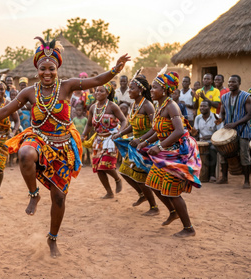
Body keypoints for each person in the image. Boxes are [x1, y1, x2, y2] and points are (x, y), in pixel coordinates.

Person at [0, 36, 130, 257]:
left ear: (57, 69)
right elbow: (6, 110)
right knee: (25, 152)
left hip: (62, 144)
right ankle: (33, 194)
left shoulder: (68, 86)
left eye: (51, 68)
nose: (47, 72)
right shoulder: (29, 93)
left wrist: (115, 70)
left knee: (59, 197)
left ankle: (52, 238)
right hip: (38, 138)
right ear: (36, 70)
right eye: (42, 68)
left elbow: (98, 80)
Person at [136, 68, 201, 237]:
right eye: (151, 87)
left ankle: (189, 228)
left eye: (154, 88)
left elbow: (179, 131)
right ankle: (173, 212)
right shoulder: (160, 106)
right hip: (166, 153)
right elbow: (158, 130)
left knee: (171, 191)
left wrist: (160, 146)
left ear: (164, 90)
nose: (151, 91)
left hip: (176, 154)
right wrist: (145, 141)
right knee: (153, 183)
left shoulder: (172, 107)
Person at [113, 73, 161, 215]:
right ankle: (142, 196)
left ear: (140, 90)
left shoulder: (148, 106)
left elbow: (155, 128)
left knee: (140, 178)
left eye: (132, 88)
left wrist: (141, 140)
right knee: (124, 171)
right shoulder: (134, 105)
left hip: (146, 145)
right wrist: (120, 133)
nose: (129, 91)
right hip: (136, 145)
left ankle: (154, 207)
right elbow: (132, 126)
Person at [83, 82, 127, 199]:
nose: (98, 93)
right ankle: (109, 192)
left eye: (101, 91)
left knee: (105, 164)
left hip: (110, 139)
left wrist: (119, 133)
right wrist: (83, 135)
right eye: (97, 90)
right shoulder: (93, 107)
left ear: (107, 93)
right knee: (98, 168)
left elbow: (123, 120)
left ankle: (117, 179)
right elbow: (88, 124)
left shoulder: (112, 106)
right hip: (98, 139)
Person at [216, 75, 251, 187]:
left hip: (243, 130)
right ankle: (224, 178)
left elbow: (250, 114)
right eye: (229, 82)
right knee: (224, 153)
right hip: (228, 131)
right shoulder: (225, 97)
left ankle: (247, 181)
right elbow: (222, 112)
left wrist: (235, 124)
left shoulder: (246, 96)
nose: (231, 84)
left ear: (239, 83)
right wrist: (220, 119)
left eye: (234, 82)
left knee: (244, 154)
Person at [192, 100, 222, 181]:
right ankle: (197, 173)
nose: (202, 108)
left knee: (212, 150)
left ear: (210, 107)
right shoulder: (198, 118)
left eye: (204, 106)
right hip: (202, 142)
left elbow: (220, 132)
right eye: (201, 106)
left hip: (213, 142)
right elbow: (196, 132)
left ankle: (212, 175)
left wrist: (210, 137)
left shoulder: (216, 117)